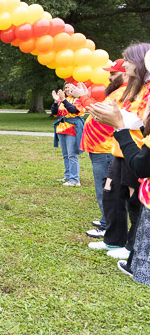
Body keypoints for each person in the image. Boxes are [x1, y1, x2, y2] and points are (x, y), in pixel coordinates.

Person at [87, 42, 150, 261]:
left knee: (134, 201)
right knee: (111, 194)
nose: (125, 65)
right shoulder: (133, 87)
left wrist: (116, 119)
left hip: (136, 150)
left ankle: (131, 246)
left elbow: (141, 121)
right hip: (119, 149)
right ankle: (113, 240)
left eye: (129, 60)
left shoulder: (146, 90)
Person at [70, 59, 127, 238]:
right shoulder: (117, 91)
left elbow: (100, 112)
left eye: (113, 74)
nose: (109, 77)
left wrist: (83, 97)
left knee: (106, 190)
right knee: (106, 189)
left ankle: (107, 226)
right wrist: (87, 97)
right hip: (100, 149)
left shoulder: (122, 92)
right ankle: (105, 220)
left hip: (105, 149)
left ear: (125, 74)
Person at [51, 82, 85, 186]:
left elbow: (73, 110)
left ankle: (74, 179)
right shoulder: (63, 100)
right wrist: (56, 101)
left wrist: (63, 100)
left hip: (72, 129)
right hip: (61, 129)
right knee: (65, 155)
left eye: (69, 87)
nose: (66, 89)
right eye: (65, 87)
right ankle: (68, 176)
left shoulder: (78, 100)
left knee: (72, 155)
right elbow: (55, 112)